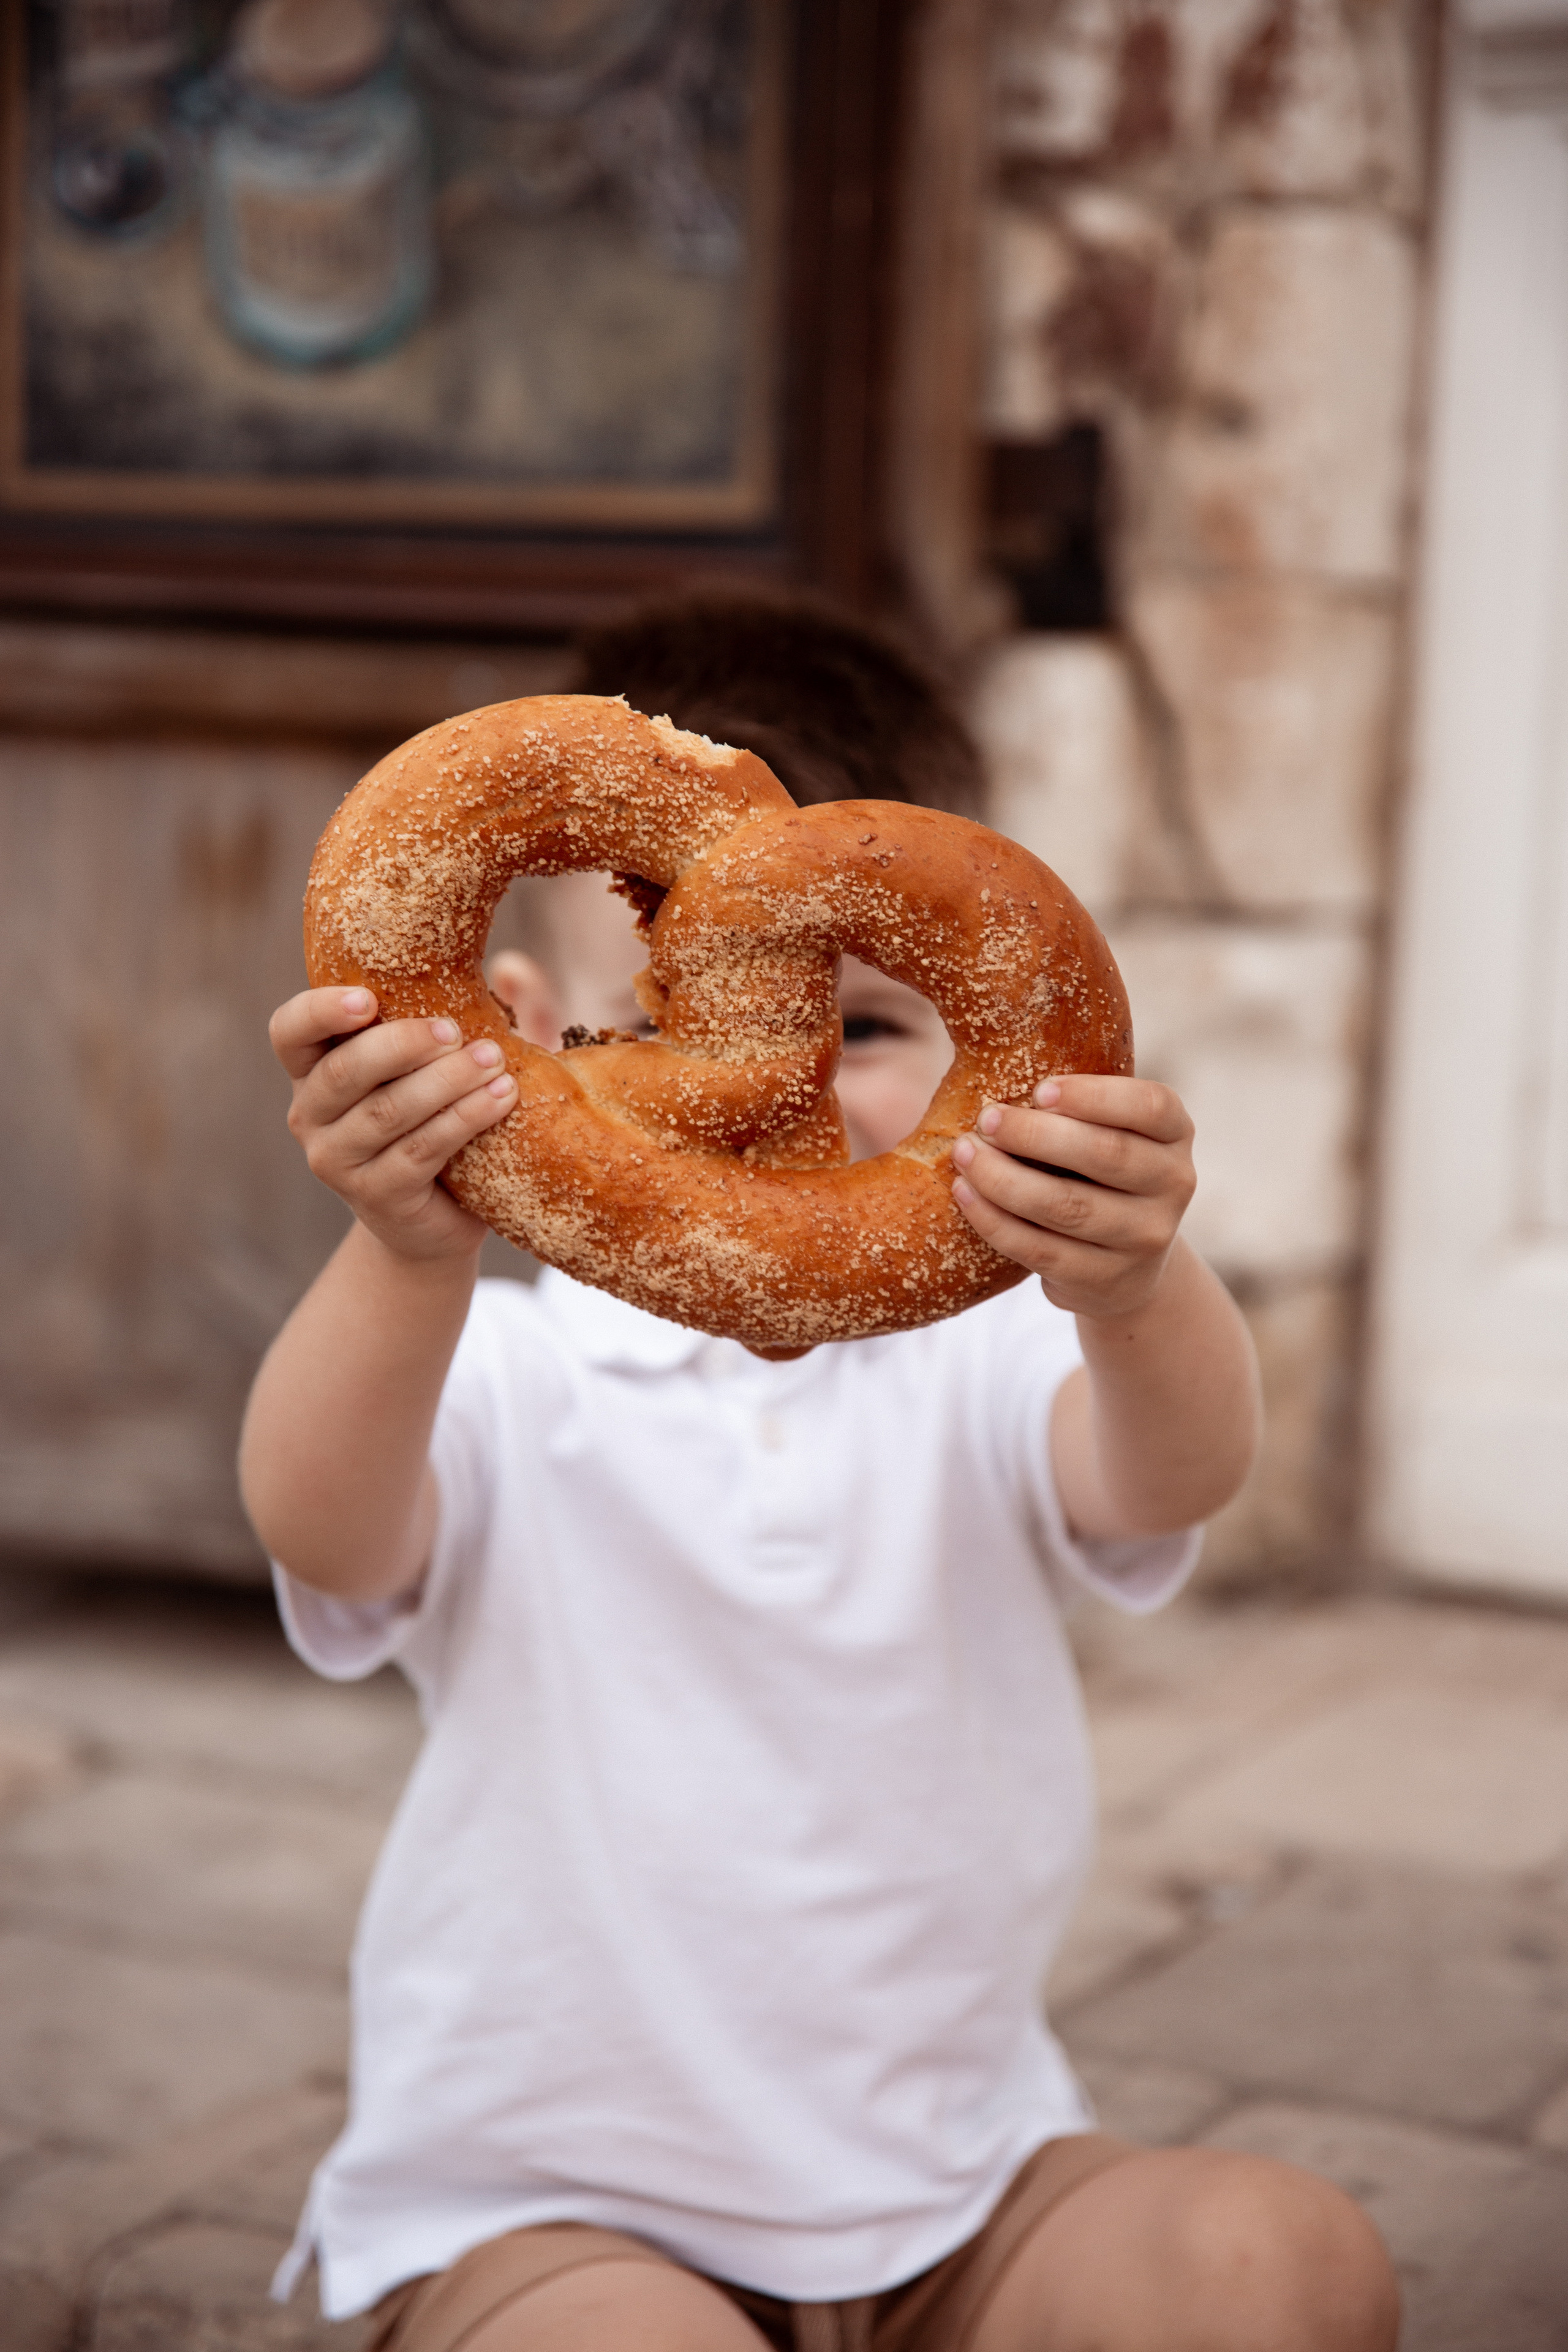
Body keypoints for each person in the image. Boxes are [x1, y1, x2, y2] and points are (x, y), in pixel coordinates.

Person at [244, 594, 1399, 2352]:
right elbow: (318, 1518)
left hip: (958, 2191)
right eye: (675, 1024)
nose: (775, 1091)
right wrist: (403, 1256)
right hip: (554, 2210)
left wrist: (1136, 1285)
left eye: (862, 1033)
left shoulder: (993, 1350)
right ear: (518, 1029)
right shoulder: (492, 1365)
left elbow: (1169, 1478)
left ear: (975, 1050)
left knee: (1282, 2261)